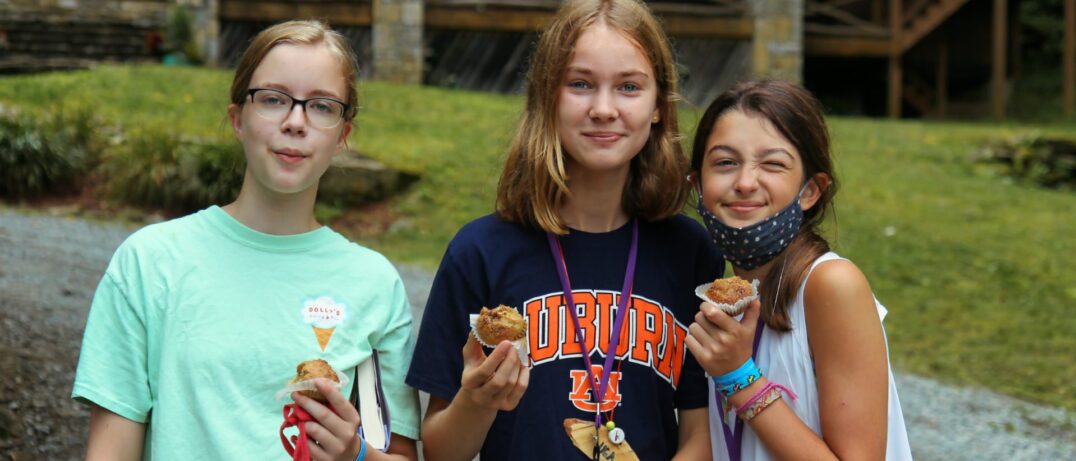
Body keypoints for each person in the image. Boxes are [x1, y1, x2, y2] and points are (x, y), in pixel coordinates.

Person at [71, 20, 420, 461]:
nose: (296, 122)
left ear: (342, 137)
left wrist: (355, 454)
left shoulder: (373, 284)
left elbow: (400, 453)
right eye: (273, 99)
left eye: (321, 106)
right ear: (238, 118)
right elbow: (110, 450)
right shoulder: (150, 262)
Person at [405, 0, 723, 459]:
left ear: (658, 106)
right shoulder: (480, 251)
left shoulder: (691, 252)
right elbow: (439, 449)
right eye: (580, 84)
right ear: (546, 97)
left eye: (629, 87)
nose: (603, 108)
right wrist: (476, 402)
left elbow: (700, 434)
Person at [684, 80, 913, 460]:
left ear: (810, 190)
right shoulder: (727, 300)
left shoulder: (831, 285)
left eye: (772, 164)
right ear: (698, 184)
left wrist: (739, 377)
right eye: (725, 162)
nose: (744, 182)